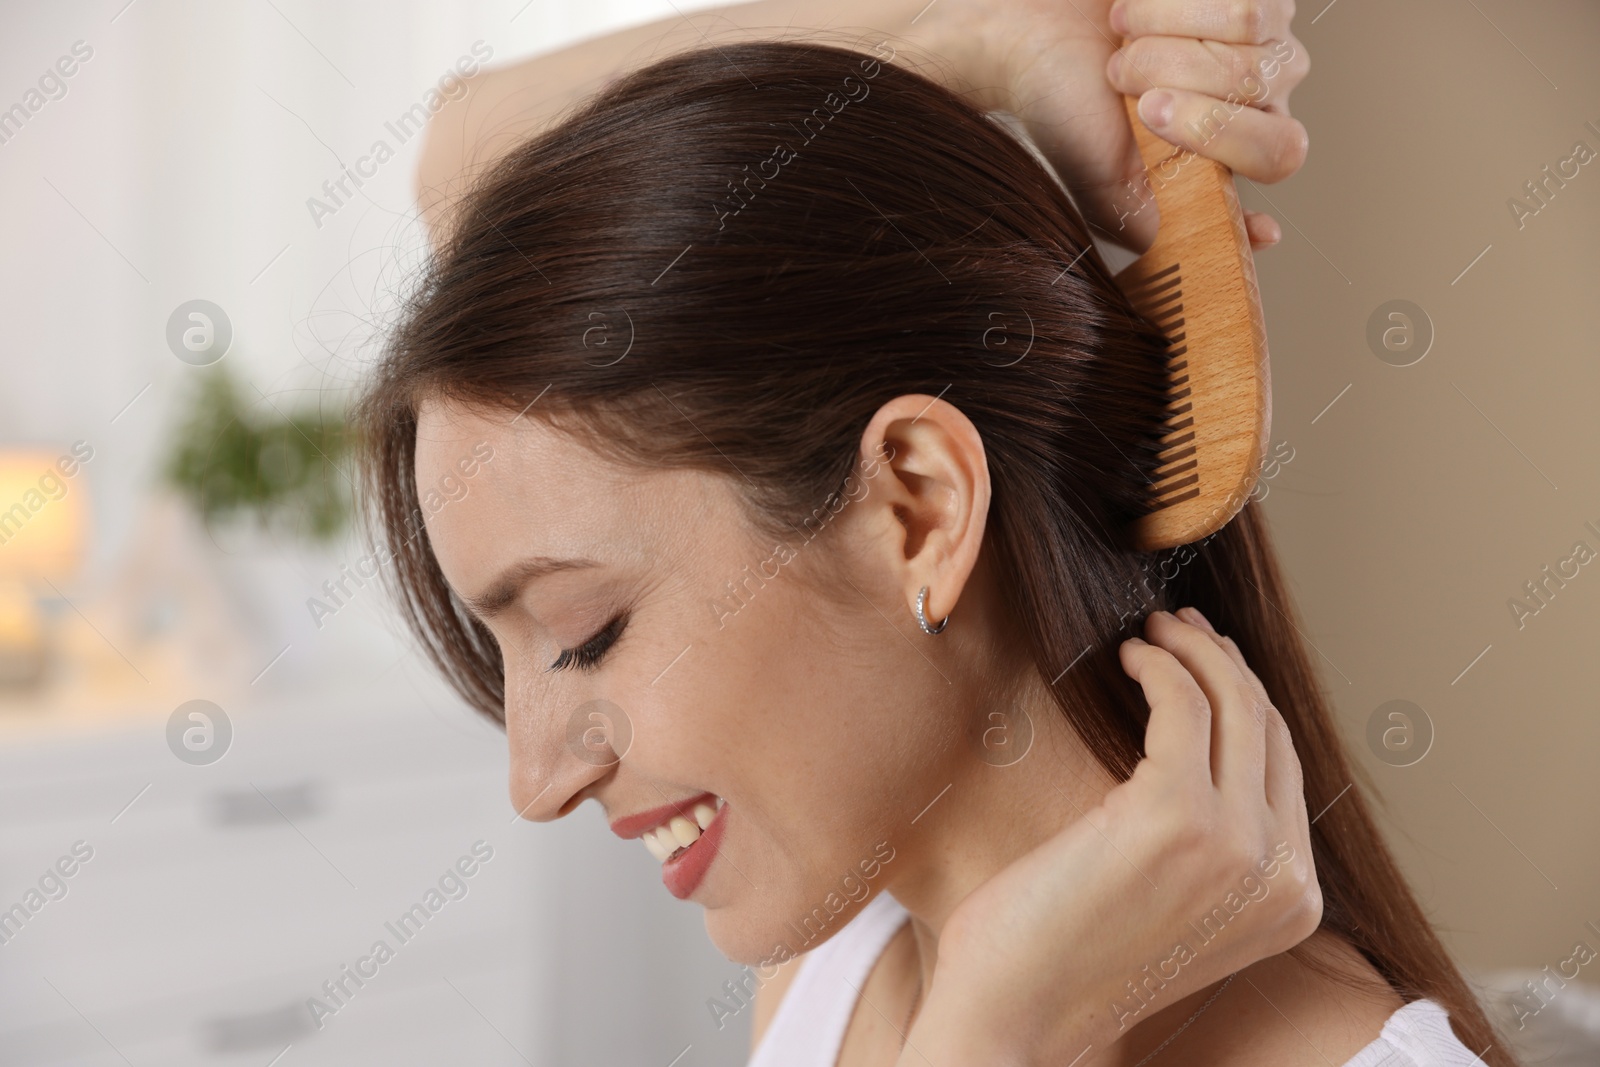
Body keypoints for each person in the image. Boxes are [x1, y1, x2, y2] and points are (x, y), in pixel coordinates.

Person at [357, 3, 1518, 1065]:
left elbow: (479, 157)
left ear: (918, 508)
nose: (532, 780)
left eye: (584, 631)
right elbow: (468, 158)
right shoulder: (848, 954)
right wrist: (990, 32)